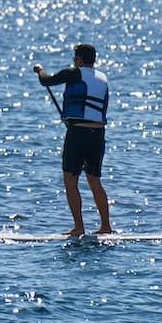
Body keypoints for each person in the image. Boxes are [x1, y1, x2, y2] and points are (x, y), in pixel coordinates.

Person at [33, 42, 113, 237]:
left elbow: (47, 81)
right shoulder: (103, 79)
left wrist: (40, 70)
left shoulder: (74, 72)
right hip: (98, 134)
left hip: (78, 133)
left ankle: (79, 227)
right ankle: (105, 226)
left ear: (78, 59)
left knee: (70, 179)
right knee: (94, 180)